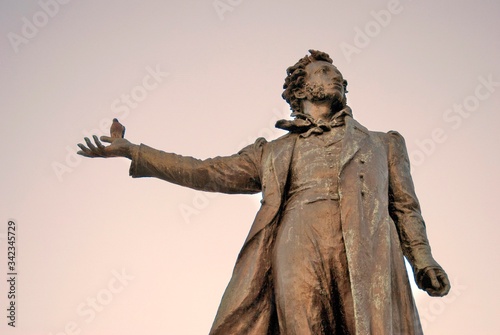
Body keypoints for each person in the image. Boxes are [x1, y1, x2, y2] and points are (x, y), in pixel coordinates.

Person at [78, 50, 450, 334]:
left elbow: (405, 207)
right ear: (301, 88)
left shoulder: (383, 143)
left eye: (338, 74)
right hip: (297, 242)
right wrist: (135, 151)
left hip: (368, 242)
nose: (335, 78)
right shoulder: (272, 152)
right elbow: (206, 171)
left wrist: (423, 260)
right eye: (324, 72)